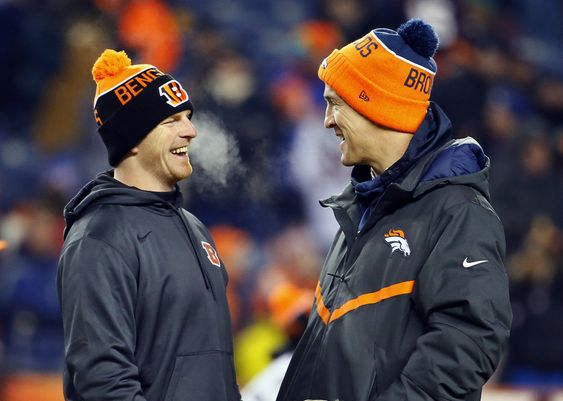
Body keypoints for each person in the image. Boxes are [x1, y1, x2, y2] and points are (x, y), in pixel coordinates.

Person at [276, 19, 512, 401]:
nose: (327, 121)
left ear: (376, 104)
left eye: (335, 104)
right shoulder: (362, 205)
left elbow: (468, 346)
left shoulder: (458, 211)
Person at [56, 49, 241, 401]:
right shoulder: (99, 237)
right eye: (171, 121)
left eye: (187, 117)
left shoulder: (195, 227)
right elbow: (104, 381)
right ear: (133, 139)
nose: (190, 131)